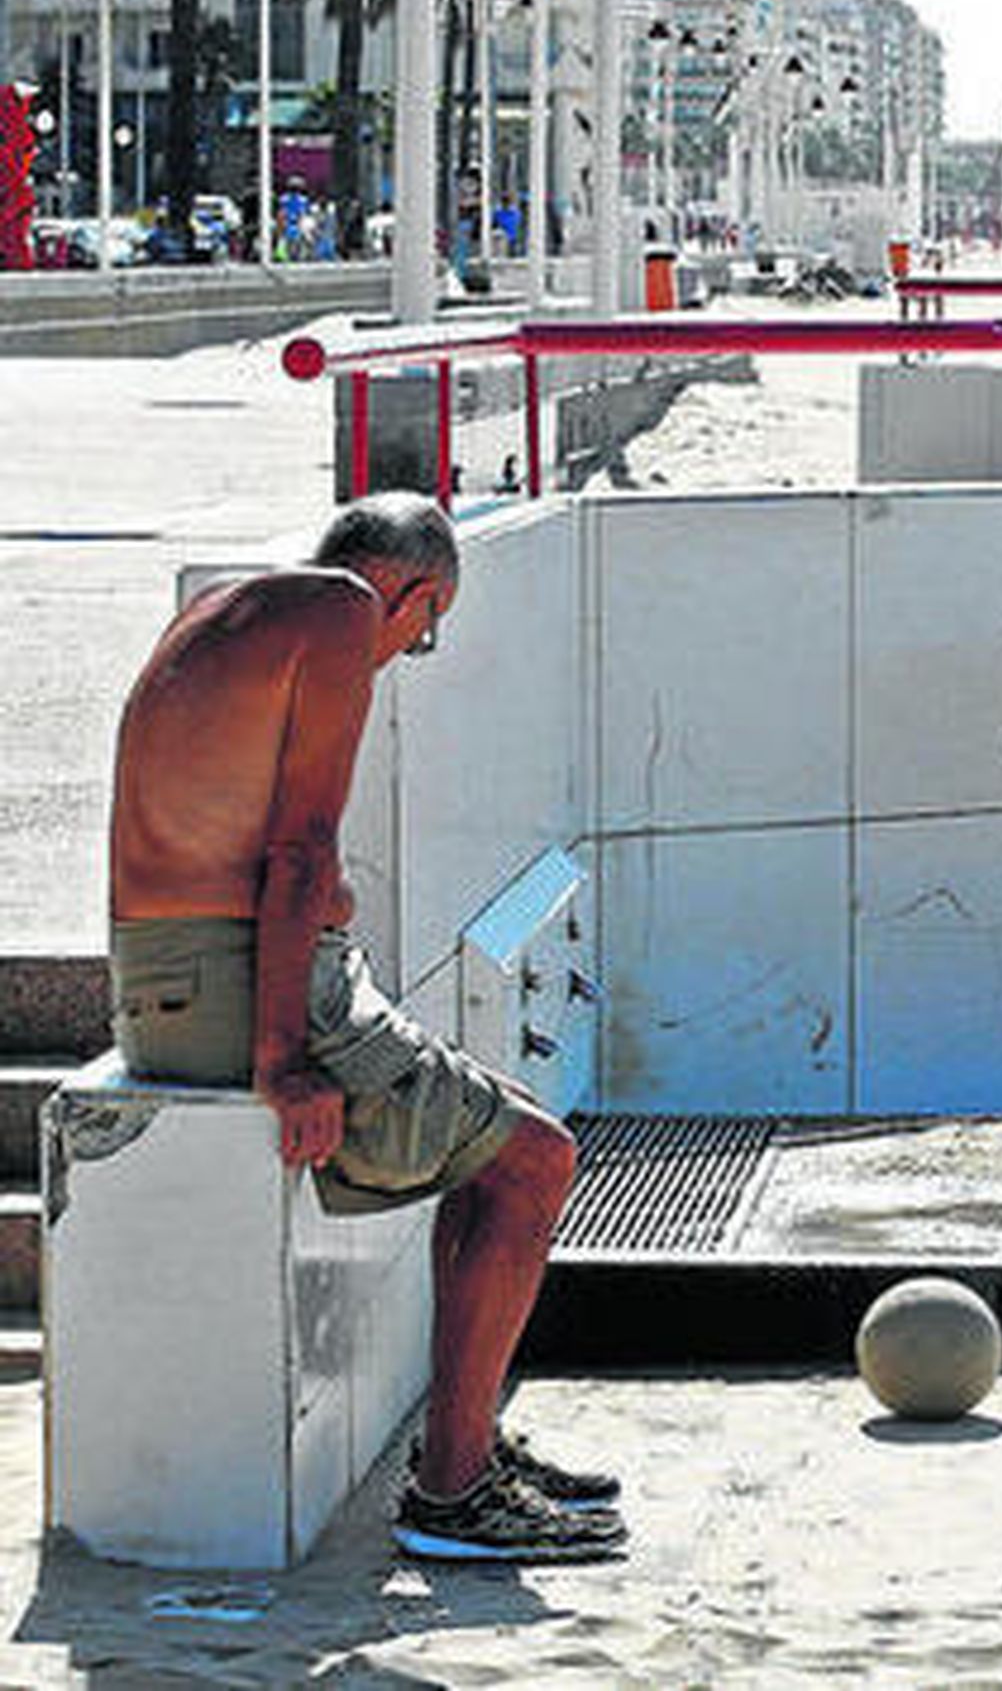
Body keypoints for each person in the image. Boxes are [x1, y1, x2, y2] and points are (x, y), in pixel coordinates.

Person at [108, 493, 625, 1565]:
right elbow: (298, 850)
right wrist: (283, 1060)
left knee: (507, 1133)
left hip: (173, 971)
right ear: (414, 593)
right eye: (420, 634)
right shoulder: (342, 614)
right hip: (235, 984)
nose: (400, 654)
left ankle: (463, 1445)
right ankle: (451, 1494)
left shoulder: (226, 607)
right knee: (536, 1162)